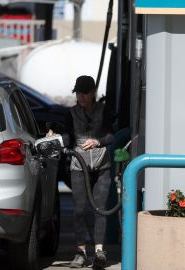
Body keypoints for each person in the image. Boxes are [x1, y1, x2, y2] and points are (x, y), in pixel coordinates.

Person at [65, 75, 114, 269]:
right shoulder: (70, 113)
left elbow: (111, 135)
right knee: (78, 209)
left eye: (85, 93)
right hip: (79, 166)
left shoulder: (104, 110)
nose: (81, 97)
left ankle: (99, 252)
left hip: (102, 165)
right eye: (78, 93)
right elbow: (68, 138)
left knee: (100, 208)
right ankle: (81, 252)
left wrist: (98, 141)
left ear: (93, 92)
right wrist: (56, 137)